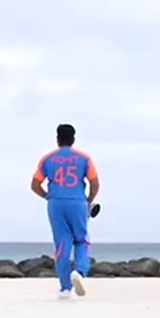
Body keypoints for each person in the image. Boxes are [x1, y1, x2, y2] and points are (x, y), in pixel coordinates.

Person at [31, 123, 99, 298]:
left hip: (55, 203)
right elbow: (94, 183)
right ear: (73, 139)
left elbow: (35, 185)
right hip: (77, 202)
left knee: (62, 244)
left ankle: (65, 288)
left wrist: (48, 196)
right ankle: (80, 271)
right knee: (82, 241)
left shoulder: (47, 159)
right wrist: (89, 200)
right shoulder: (84, 158)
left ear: (57, 139)